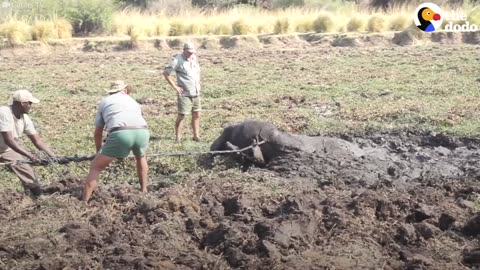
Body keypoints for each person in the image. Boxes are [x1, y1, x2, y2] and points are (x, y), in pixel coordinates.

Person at [82, 81, 150, 203]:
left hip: (121, 133)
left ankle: (84, 203)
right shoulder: (133, 102)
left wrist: (99, 151)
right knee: (140, 157)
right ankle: (144, 190)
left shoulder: (105, 102)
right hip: (143, 132)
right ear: (124, 90)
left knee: (96, 167)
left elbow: (98, 132)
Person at [0, 90, 56, 196]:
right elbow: (9, 140)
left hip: (5, 149)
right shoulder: (4, 112)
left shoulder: (25, 118)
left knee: (25, 168)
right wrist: (30, 155)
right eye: (30, 103)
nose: (31, 106)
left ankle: (38, 196)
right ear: (22, 103)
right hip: (7, 145)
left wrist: (54, 156)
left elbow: (37, 141)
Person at [163, 41, 202, 143]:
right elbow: (166, 73)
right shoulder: (177, 60)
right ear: (184, 50)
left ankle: (196, 136)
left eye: (192, 52)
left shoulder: (194, 58)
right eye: (189, 52)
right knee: (182, 115)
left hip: (196, 91)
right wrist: (175, 87)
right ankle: (178, 138)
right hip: (184, 93)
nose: (191, 54)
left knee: (197, 114)